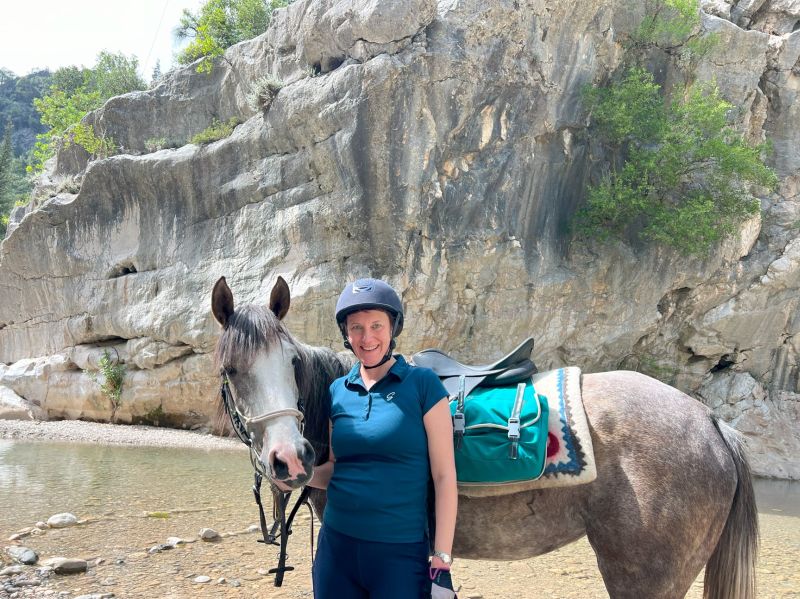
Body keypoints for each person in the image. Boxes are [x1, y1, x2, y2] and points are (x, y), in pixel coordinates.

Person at [307, 277, 458, 599]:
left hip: (399, 554)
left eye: (376, 325)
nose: (367, 337)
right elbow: (336, 467)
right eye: (356, 328)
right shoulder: (337, 390)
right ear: (346, 334)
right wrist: (299, 476)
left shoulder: (423, 384)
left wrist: (442, 560)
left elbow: (444, 477)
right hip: (335, 549)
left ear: (393, 328)